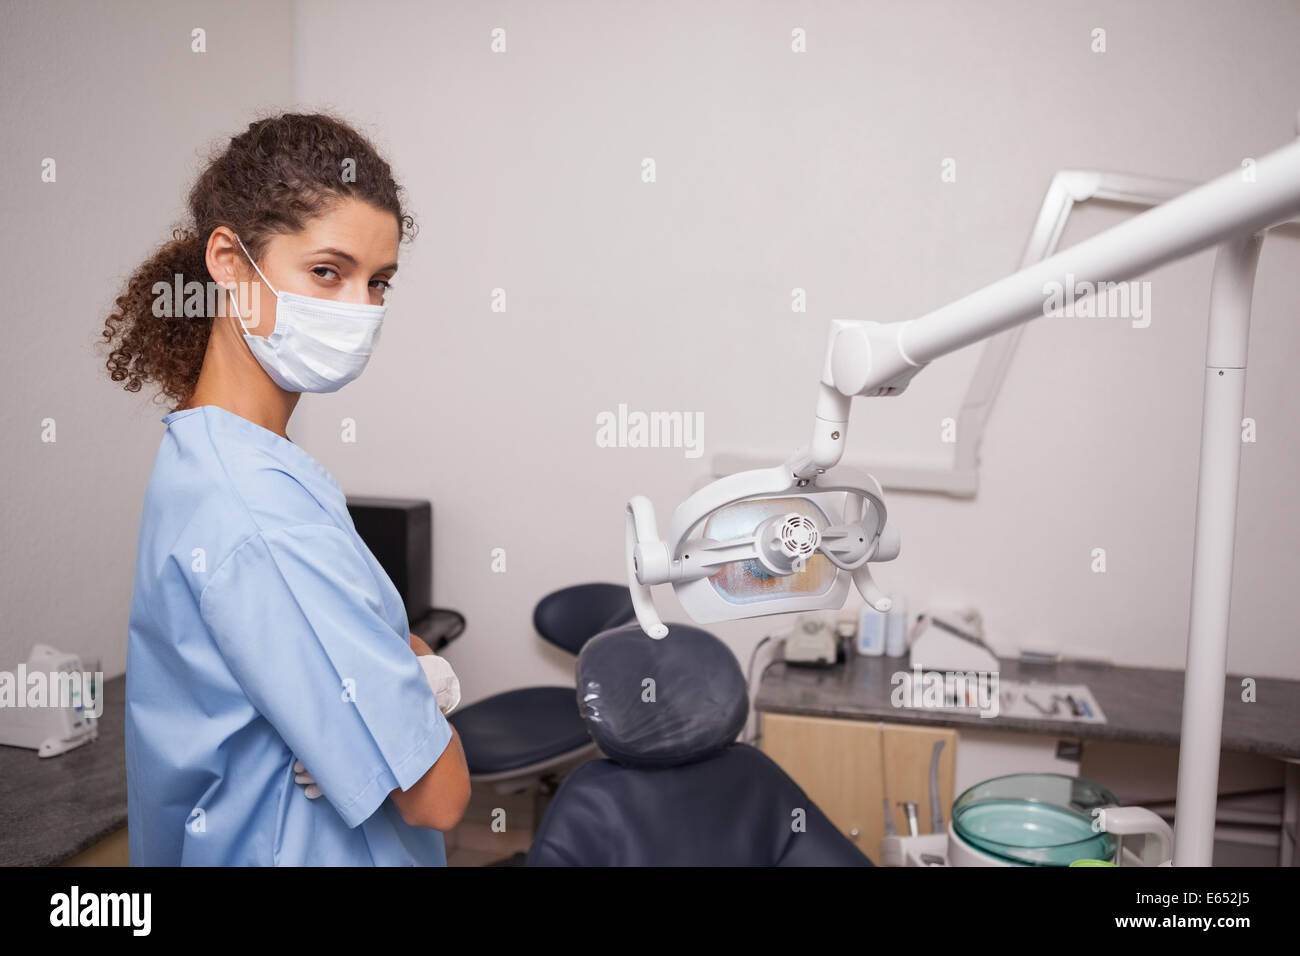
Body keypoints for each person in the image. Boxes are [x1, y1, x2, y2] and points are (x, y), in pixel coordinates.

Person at [101, 113, 470, 865]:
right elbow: (441, 796)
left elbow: (371, 647)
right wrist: (416, 679)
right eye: (327, 273)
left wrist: (401, 669)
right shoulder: (259, 511)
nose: (360, 311)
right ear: (232, 264)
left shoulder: (212, 456)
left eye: (379, 282)